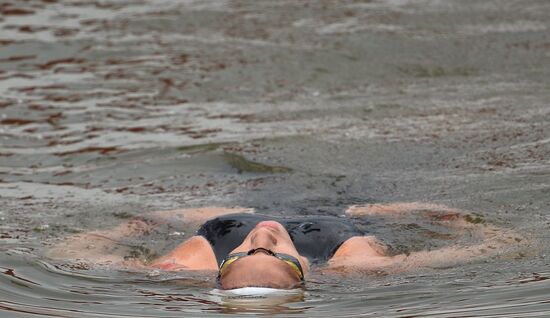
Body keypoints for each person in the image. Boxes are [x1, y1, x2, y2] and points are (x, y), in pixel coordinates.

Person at [47, 202, 522, 290]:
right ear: (303, 269)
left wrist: (137, 226)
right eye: (271, 252)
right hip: (342, 204)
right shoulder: (350, 263)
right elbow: (494, 248)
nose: (262, 235)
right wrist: (448, 217)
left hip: (239, 200)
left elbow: (73, 258)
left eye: (247, 251)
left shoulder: (190, 260)